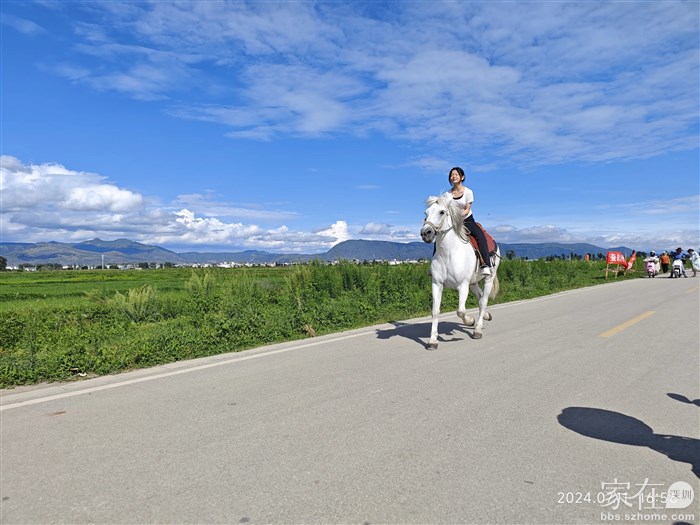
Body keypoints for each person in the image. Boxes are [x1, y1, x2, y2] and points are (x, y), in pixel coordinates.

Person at [445, 166, 492, 275]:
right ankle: (435, 264)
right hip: (452, 222)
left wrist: (456, 216)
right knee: (439, 236)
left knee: (481, 237)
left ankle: (485, 264)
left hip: (467, 221)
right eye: (452, 175)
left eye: (456, 174)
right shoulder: (447, 195)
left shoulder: (468, 192)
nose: (453, 176)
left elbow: (466, 210)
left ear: (462, 177)